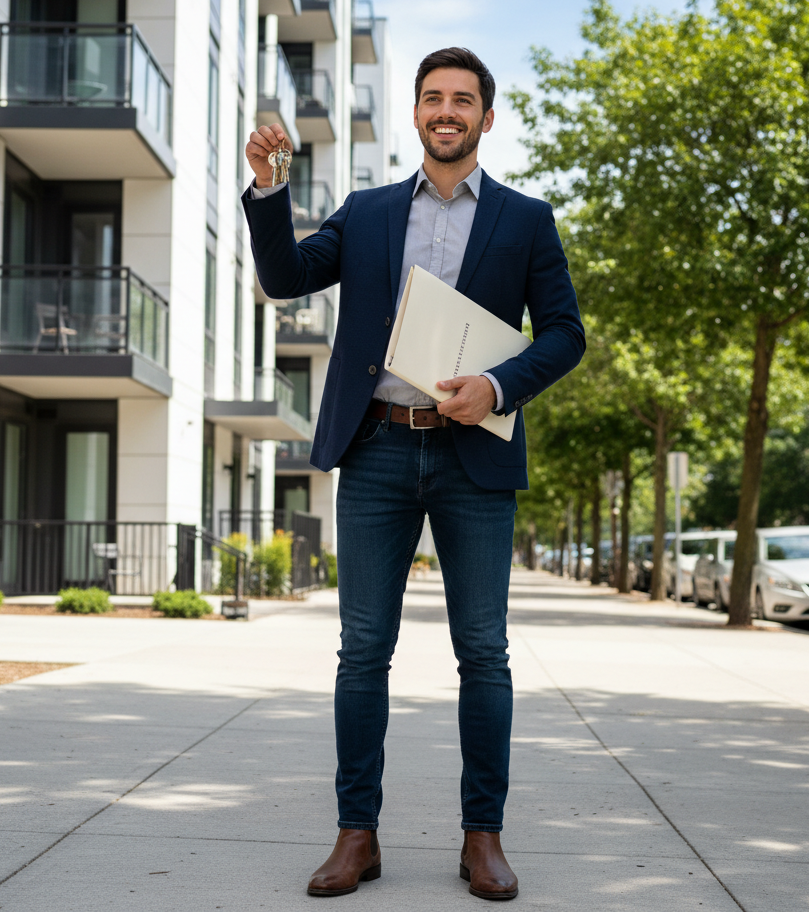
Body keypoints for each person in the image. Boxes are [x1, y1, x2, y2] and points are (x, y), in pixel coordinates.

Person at [243, 47, 585, 900]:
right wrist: (266, 190)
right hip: (377, 449)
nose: (446, 110)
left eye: (462, 100)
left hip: (475, 456)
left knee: (484, 654)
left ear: (486, 117)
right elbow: (285, 277)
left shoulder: (526, 219)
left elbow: (565, 333)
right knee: (363, 652)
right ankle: (356, 835)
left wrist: (499, 384)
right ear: (417, 113)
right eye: (433, 97)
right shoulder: (365, 213)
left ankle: (483, 839)